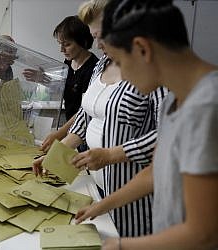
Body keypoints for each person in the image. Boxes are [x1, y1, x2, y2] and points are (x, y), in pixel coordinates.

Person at [75, 0, 218, 249]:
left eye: (120, 62)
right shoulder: (173, 99)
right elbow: (155, 172)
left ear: (142, 48)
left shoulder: (207, 106)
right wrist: (102, 205)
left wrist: (120, 246)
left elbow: (204, 233)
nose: (123, 77)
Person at [33, 0, 168, 237]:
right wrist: (54, 157)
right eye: (95, 36)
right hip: (96, 186)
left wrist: (110, 155)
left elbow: (171, 136)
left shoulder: (156, 68)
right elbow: (86, 118)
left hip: (134, 196)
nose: (97, 44)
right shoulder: (102, 64)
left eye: (102, 36)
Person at [24, 16, 98, 121]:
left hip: (83, 126)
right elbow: (67, 89)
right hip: (70, 122)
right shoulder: (68, 63)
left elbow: (85, 112)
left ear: (83, 42)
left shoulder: (93, 68)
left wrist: (60, 134)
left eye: (67, 44)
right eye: (60, 44)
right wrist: (44, 80)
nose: (62, 50)